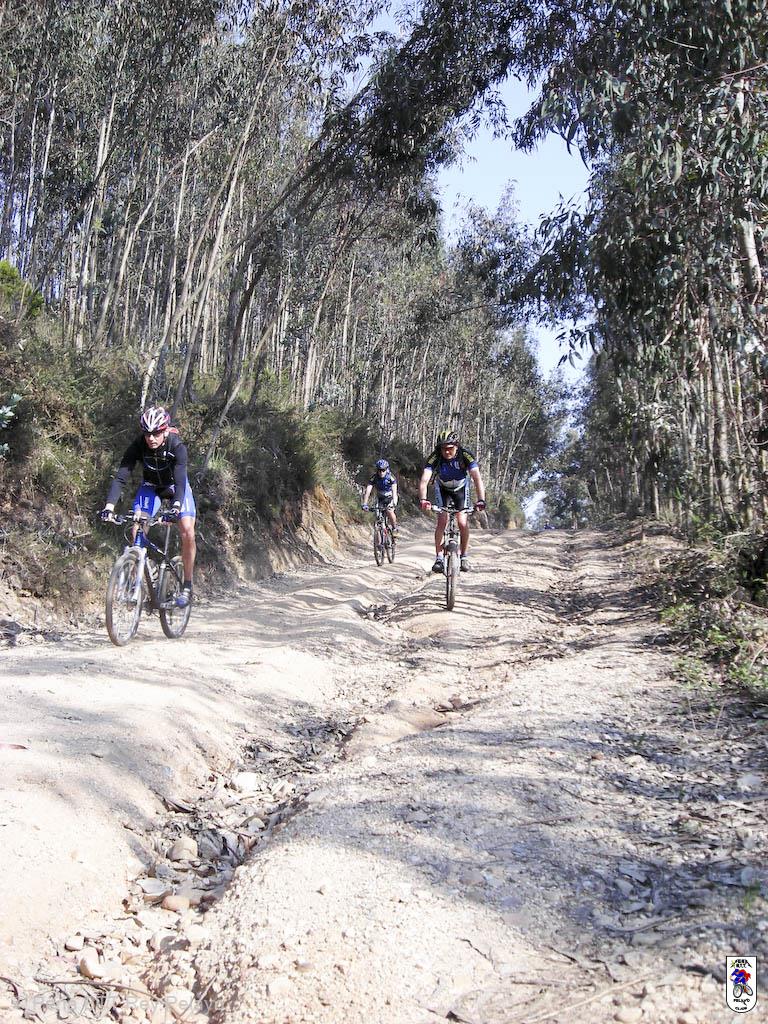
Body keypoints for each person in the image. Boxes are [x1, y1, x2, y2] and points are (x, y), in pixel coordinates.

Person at [100, 406, 196, 607]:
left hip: (175, 487)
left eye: (156, 433)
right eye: (147, 434)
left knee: (187, 530)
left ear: (165, 431)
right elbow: (121, 477)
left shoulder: (176, 446)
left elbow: (180, 483)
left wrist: (175, 509)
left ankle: (187, 585)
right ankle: (137, 578)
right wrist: (109, 507)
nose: (151, 438)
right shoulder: (138, 445)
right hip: (151, 487)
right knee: (137, 526)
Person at [418, 429, 486, 573]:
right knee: (442, 520)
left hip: (461, 489)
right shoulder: (435, 457)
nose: (446, 452)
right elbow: (424, 480)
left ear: (456, 446)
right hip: (443, 488)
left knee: (462, 522)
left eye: (450, 448)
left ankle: (464, 556)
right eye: (443, 449)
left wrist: (481, 500)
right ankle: (439, 558)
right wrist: (423, 499)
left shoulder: (465, 455)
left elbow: (477, 478)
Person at [361, 458, 398, 532]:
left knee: (390, 511)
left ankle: (394, 528)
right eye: (379, 470)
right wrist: (365, 503)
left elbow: (394, 492)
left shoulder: (391, 477)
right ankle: (380, 532)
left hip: (390, 497)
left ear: (387, 469)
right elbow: (368, 491)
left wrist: (394, 502)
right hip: (380, 497)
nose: (381, 472)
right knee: (377, 515)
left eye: (383, 470)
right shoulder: (374, 477)